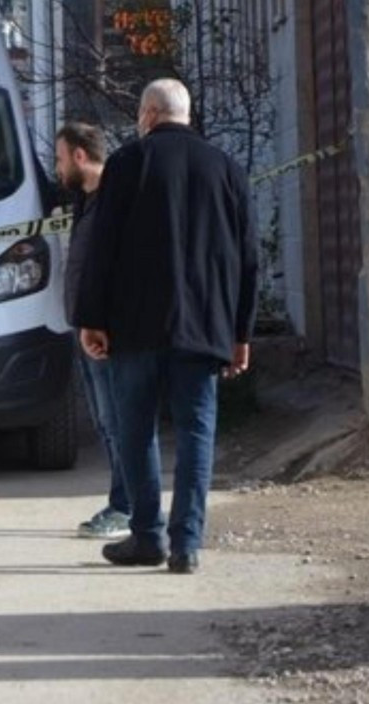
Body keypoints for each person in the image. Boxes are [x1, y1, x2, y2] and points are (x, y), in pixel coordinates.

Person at [73, 78, 258, 574]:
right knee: (198, 431)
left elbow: (101, 246)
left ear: (149, 114)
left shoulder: (128, 165)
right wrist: (241, 333)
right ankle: (187, 546)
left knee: (136, 430)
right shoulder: (227, 169)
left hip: (134, 327)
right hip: (203, 328)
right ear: (186, 113)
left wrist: (90, 318)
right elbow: (248, 260)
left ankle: (147, 536)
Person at [54, 122, 134, 539]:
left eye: (60, 158)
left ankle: (128, 507)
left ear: (80, 156)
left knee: (119, 420)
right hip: (83, 327)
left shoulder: (114, 199)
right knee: (107, 422)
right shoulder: (84, 200)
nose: (58, 167)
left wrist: (101, 321)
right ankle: (123, 501)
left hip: (103, 332)